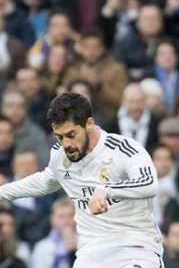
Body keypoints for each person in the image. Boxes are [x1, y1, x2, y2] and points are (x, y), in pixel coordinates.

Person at [0, 93, 164, 267]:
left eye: (71, 134)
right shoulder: (59, 154)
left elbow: (149, 183)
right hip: (91, 252)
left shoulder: (122, 149)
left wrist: (106, 190)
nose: (66, 144)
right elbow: (47, 180)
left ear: (89, 124)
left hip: (135, 247)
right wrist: (3, 193)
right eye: (59, 137)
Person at [30, 197, 77, 268]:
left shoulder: (85, 242)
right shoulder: (42, 247)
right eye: (61, 216)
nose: (66, 220)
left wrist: (73, 251)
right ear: (52, 219)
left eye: (70, 216)